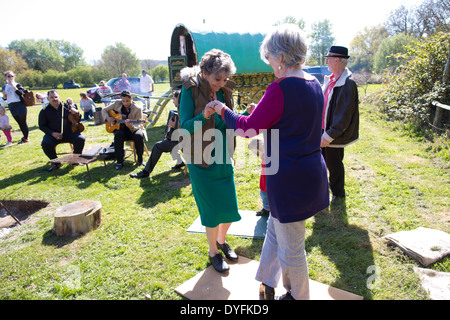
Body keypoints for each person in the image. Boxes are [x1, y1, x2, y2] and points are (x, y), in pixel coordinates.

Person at [208, 24, 329, 299]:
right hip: (310, 175)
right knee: (277, 227)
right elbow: (295, 123)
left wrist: (222, 109)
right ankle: (266, 281)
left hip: (289, 179)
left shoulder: (281, 88)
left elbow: (247, 128)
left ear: (282, 56)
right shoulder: (315, 84)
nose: (271, 64)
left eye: (271, 58)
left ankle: (298, 295)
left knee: (293, 248)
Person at [178, 49, 241, 273]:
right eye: (217, 79)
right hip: (200, 159)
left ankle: (222, 241)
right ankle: (213, 251)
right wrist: (203, 116)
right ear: (204, 72)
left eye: (225, 79)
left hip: (223, 155)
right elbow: (183, 127)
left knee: (230, 208)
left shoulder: (224, 89)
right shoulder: (190, 90)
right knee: (212, 212)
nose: (221, 83)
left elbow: (228, 120)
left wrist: (240, 117)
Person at [321, 46, 359, 202]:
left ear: (337, 60)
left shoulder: (348, 83)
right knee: (323, 163)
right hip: (323, 129)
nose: (327, 61)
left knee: (334, 164)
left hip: (333, 134)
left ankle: (338, 193)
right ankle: (323, 192)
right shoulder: (330, 79)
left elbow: (343, 116)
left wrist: (329, 136)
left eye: (329, 58)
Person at [130, 90, 184, 179]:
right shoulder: (178, 110)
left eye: (174, 99)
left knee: (158, 146)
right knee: (166, 141)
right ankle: (179, 162)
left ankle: (146, 172)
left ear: (179, 99)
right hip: (179, 139)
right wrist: (168, 136)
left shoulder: (184, 111)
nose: (172, 101)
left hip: (186, 142)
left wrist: (175, 125)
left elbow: (186, 129)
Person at [38, 90, 85, 171]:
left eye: (56, 97)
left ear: (59, 97)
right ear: (48, 99)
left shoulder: (66, 107)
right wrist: (52, 133)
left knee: (80, 139)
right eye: (51, 97)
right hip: (53, 134)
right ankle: (56, 162)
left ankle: (75, 159)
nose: (54, 99)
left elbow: (78, 117)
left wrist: (76, 112)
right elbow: (42, 126)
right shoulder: (44, 111)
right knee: (45, 143)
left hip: (69, 132)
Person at [102, 90, 145, 170]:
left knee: (139, 136)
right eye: (123, 101)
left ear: (131, 98)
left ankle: (140, 159)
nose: (125, 103)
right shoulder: (117, 103)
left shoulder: (137, 109)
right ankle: (119, 161)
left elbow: (139, 123)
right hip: (120, 128)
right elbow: (104, 110)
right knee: (118, 135)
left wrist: (131, 126)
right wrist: (108, 118)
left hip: (134, 129)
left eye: (127, 101)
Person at [2, 71, 29, 144]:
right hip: (11, 105)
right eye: (8, 76)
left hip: (19, 104)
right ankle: (25, 136)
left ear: (14, 76)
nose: (10, 78)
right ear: (5, 77)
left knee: (23, 122)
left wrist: (13, 86)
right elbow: (5, 98)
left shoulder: (18, 85)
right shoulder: (4, 87)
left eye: (12, 76)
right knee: (19, 122)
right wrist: (4, 95)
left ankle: (26, 138)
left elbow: (20, 93)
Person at [248, 137, 270, 216]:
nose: (255, 155)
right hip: (264, 177)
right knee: (263, 193)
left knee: (270, 194)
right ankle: (266, 209)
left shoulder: (269, 154)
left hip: (270, 178)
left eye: (256, 153)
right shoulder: (263, 155)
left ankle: (273, 209)